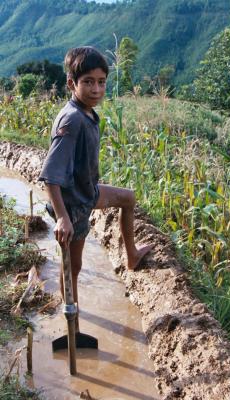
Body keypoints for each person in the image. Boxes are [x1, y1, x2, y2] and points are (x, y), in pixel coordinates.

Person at [39, 46, 152, 328]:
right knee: (72, 267)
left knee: (128, 198)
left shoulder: (86, 113)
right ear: (71, 83)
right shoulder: (72, 120)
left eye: (101, 82)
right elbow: (50, 176)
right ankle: (72, 323)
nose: (96, 89)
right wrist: (63, 217)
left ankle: (132, 255)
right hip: (72, 206)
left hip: (87, 192)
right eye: (88, 82)